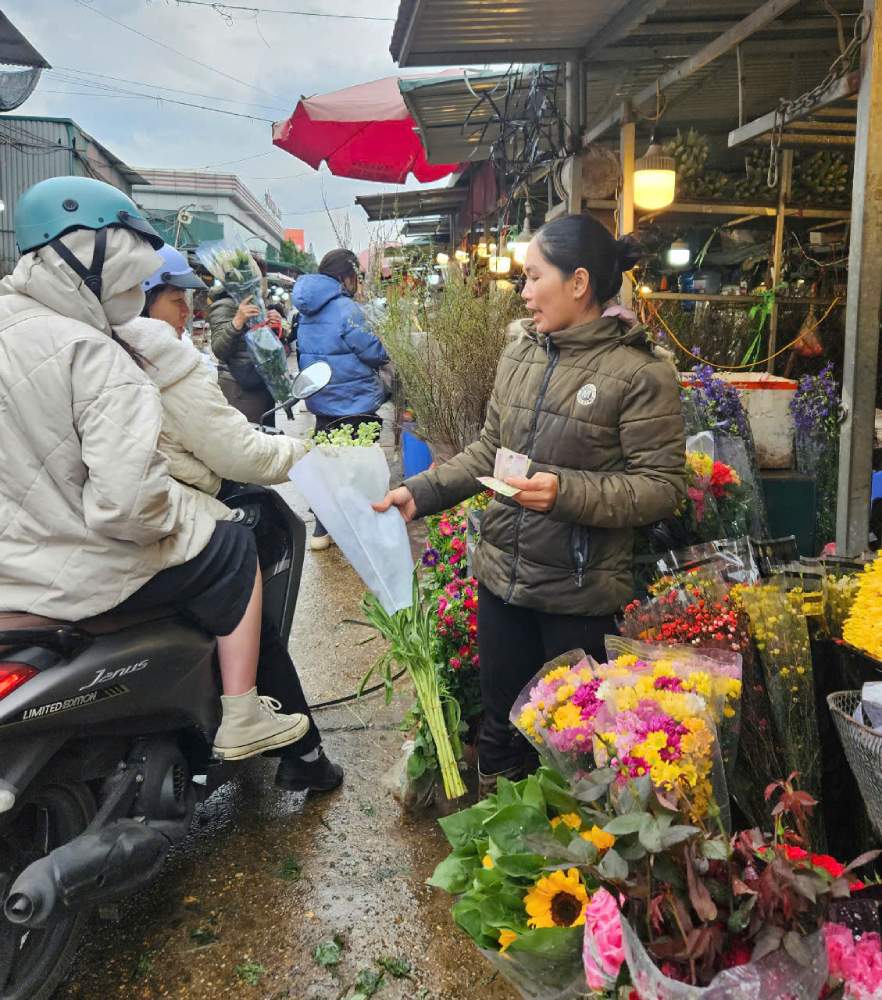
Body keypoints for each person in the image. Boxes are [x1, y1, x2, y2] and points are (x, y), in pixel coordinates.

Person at [374, 214, 687, 794]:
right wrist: (420, 493)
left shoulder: (641, 373)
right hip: (502, 579)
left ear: (579, 283)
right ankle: (500, 849)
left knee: (575, 746)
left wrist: (566, 493)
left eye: (533, 276)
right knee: (501, 728)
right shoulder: (521, 349)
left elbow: (662, 486)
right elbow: (491, 451)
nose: (522, 292)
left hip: (578, 592)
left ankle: (570, 862)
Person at [0, 176, 307, 763]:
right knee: (232, 546)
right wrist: (181, 508)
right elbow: (128, 507)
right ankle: (241, 714)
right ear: (94, 260)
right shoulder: (96, 353)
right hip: (70, 568)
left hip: (13, 565)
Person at [116, 255, 342, 792]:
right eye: (177, 300)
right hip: (163, 517)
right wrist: (305, 450)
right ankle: (299, 752)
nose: (185, 312)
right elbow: (237, 453)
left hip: (83, 536)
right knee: (242, 579)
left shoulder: (89, 346)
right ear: (142, 296)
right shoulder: (160, 356)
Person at [292, 249, 390, 550]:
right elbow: (372, 352)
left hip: (322, 401)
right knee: (359, 466)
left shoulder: (306, 311)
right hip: (355, 401)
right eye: (355, 277)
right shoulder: (346, 309)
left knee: (330, 465)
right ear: (346, 278)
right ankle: (362, 530)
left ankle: (322, 529)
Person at [208, 256, 275, 425]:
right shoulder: (225, 305)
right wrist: (237, 321)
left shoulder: (257, 303)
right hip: (239, 389)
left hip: (260, 382)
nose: (260, 282)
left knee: (267, 440)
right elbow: (219, 349)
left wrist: (275, 327)